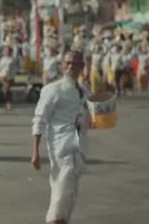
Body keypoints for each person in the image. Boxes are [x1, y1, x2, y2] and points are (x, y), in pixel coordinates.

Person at [31, 51, 90, 224]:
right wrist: (35, 152)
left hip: (80, 147)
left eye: (75, 64)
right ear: (62, 65)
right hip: (61, 148)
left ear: (82, 67)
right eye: (68, 63)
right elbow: (39, 120)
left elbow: (89, 119)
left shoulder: (84, 91)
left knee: (71, 194)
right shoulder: (53, 90)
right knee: (60, 193)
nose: (71, 67)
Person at [0, 45, 17, 112]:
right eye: (5, 51)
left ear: (10, 52)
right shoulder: (2, 59)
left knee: (6, 90)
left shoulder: (11, 60)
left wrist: (7, 76)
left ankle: (8, 104)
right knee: (5, 91)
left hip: (8, 77)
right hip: (1, 76)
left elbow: (10, 70)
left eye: (7, 51)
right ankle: (7, 104)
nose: (5, 52)